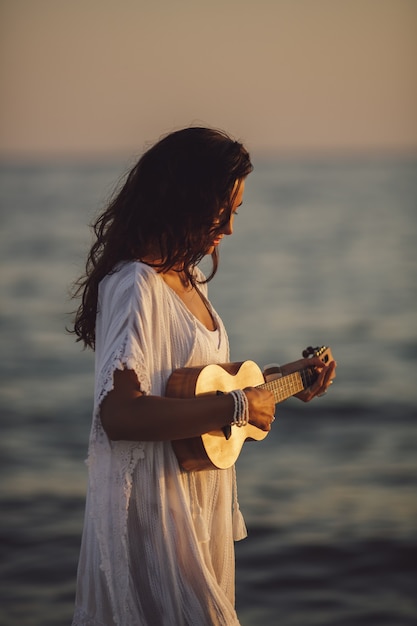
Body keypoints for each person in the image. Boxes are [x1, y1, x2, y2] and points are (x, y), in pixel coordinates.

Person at [70, 127, 336, 626]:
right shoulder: (134, 285)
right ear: (186, 199)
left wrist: (287, 378)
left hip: (197, 517)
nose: (231, 228)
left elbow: (192, 386)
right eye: (225, 209)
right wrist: (238, 407)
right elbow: (120, 413)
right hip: (158, 529)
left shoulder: (188, 281)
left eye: (235, 211)